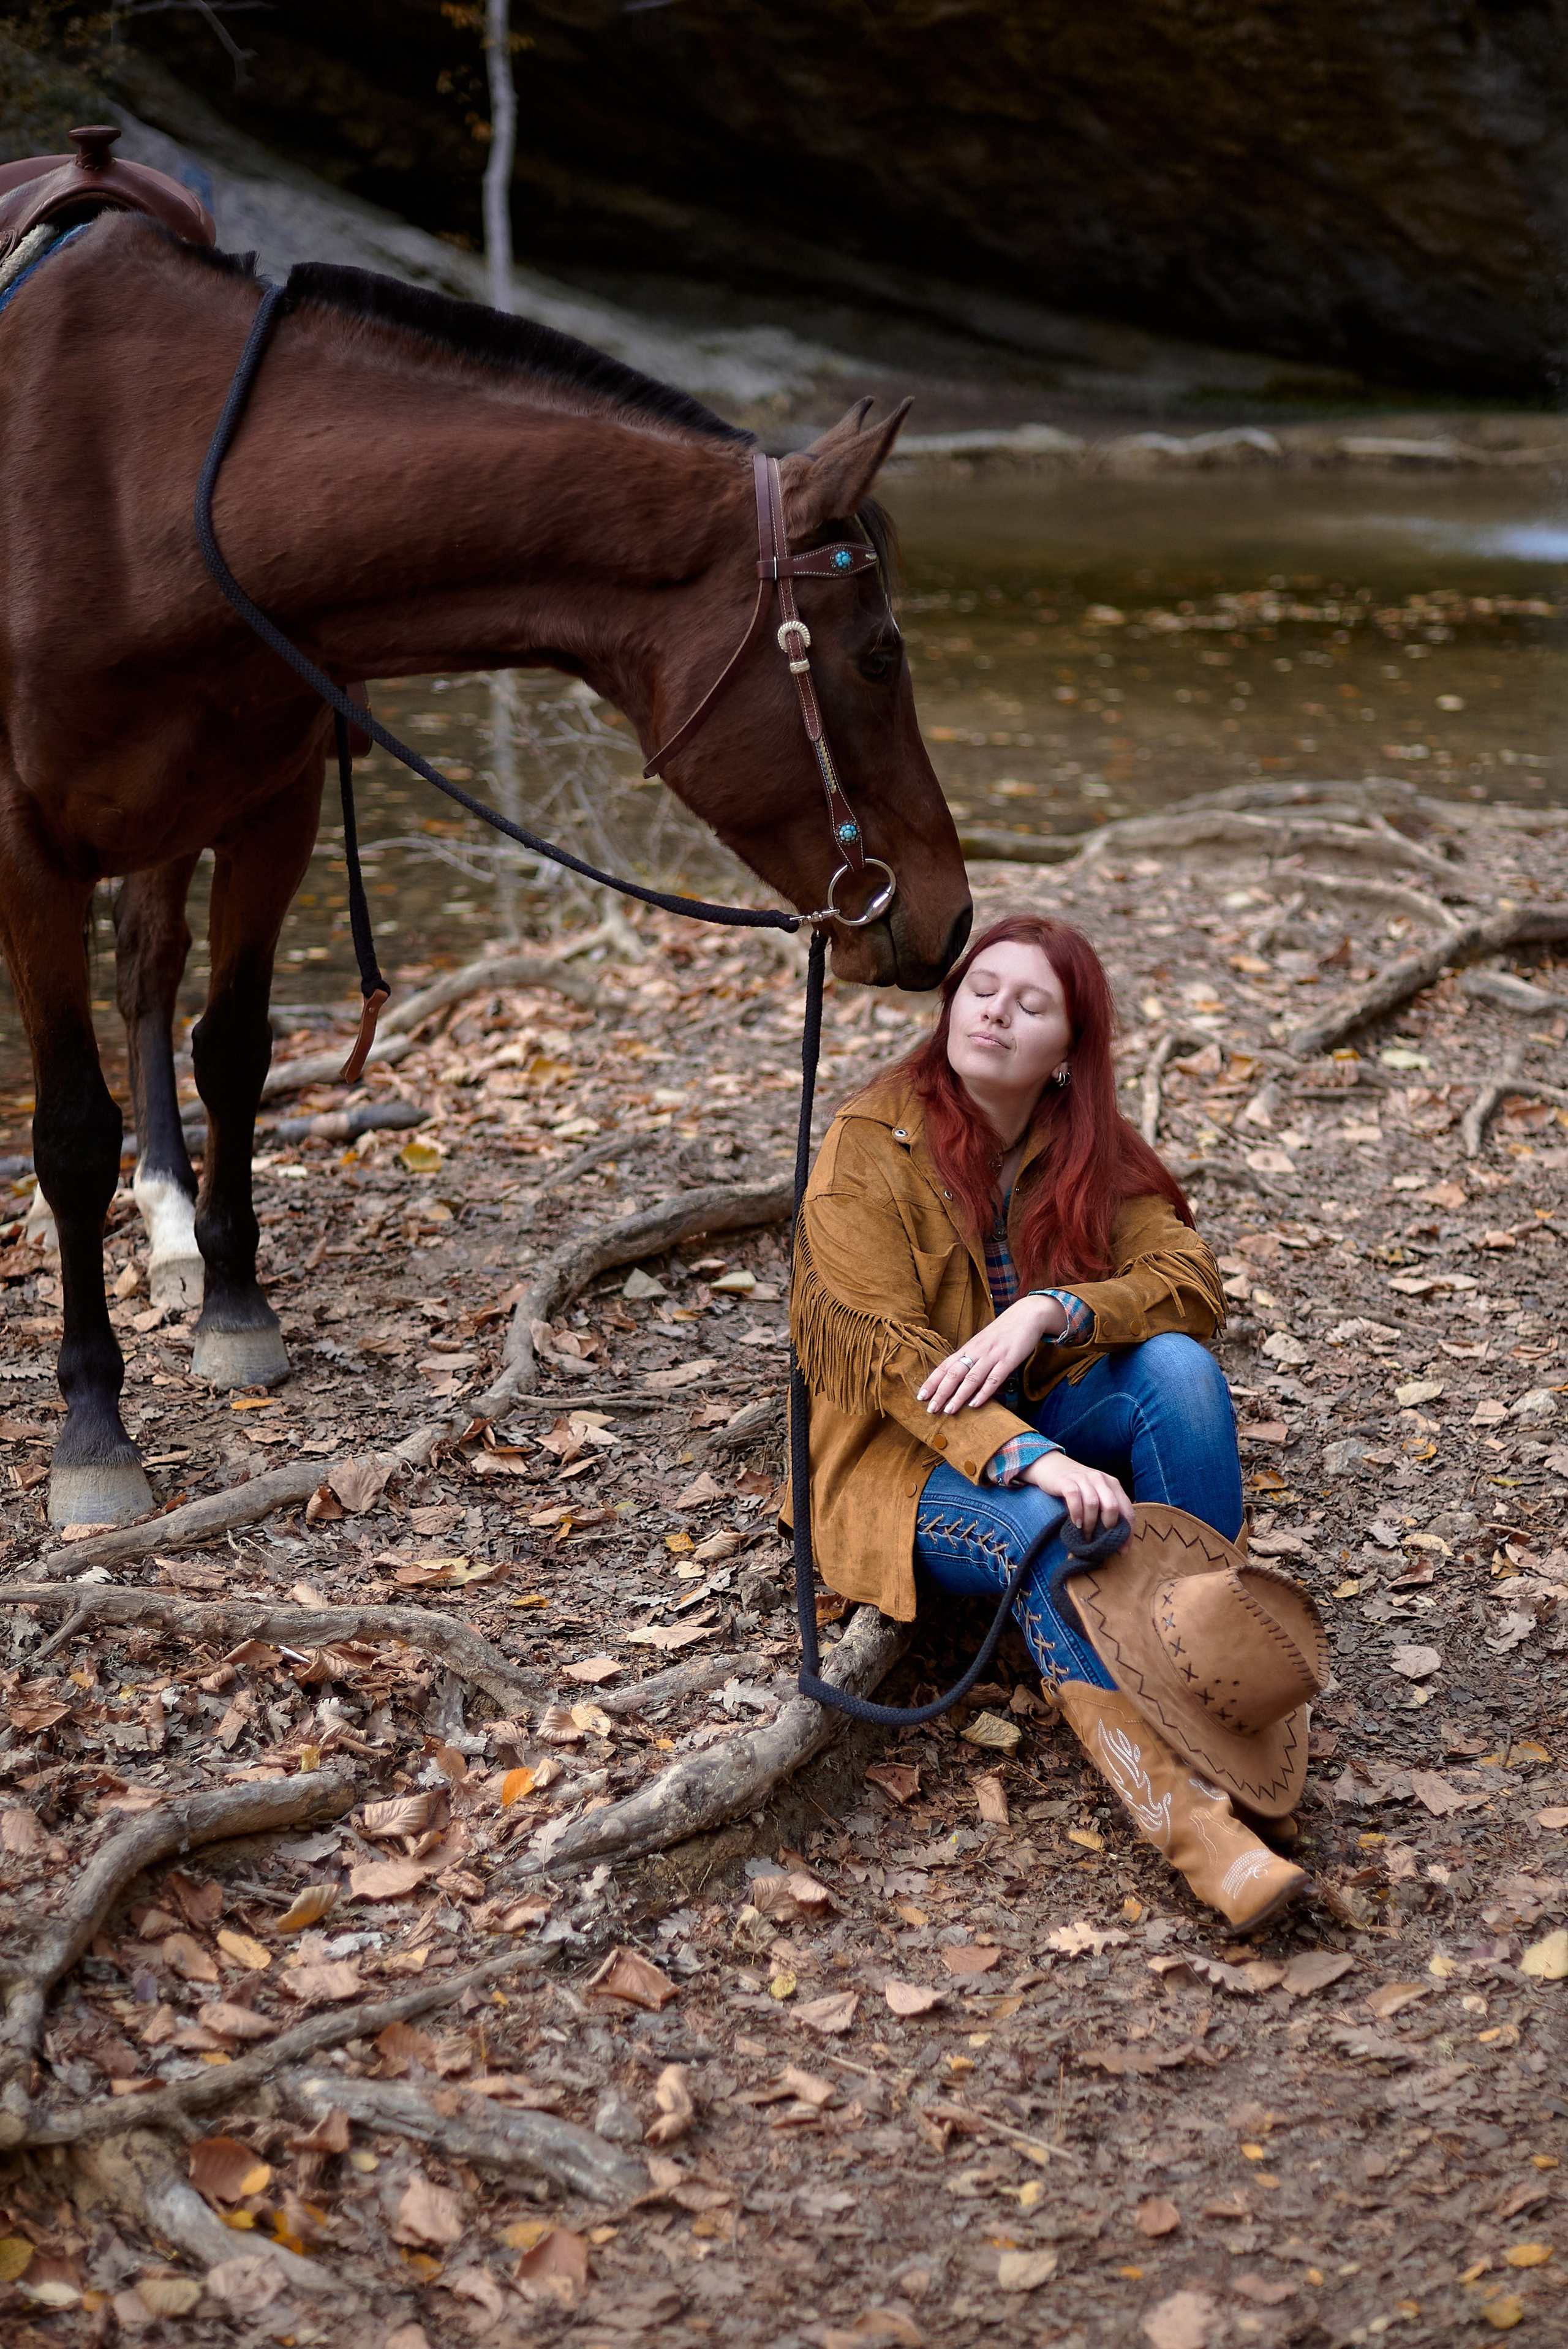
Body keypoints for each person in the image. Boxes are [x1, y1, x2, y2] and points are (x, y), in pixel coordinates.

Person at [790, 913, 1320, 1931]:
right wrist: (1026, 1456)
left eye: (1032, 1004)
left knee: (1180, 1369)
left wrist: (1056, 1309)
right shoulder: (871, 1142)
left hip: (1039, 1420)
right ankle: (1195, 1825)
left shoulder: (1087, 1141)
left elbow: (1185, 1282)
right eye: (982, 989)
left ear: (1069, 1048)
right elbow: (889, 1360)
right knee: (1050, 1535)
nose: (996, 1012)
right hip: (902, 1467)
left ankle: (1215, 1687)